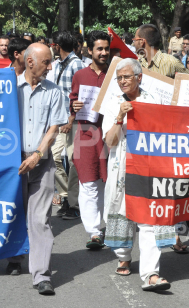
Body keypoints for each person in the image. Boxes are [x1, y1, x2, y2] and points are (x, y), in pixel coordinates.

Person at [101, 58, 170, 291]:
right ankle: (124, 254)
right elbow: (109, 142)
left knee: (148, 218)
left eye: (126, 77)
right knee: (121, 210)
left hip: (149, 166)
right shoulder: (112, 102)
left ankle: (151, 274)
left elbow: (166, 132)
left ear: (139, 78)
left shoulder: (154, 100)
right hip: (120, 166)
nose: (122, 82)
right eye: (119, 78)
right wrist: (119, 117)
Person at [6, 43, 67, 296]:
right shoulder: (7, 88)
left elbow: (53, 130)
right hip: (11, 164)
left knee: (40, 220)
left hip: (42, 164)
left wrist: (38, 155)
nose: (51, 66)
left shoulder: (54, 92)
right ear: (30, 62)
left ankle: (42, 274)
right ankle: (15, 257)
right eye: (46, 62)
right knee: (14, 213)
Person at [69, 31, 110, 249]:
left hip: (112, 135)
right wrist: (73, 107)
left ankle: (111, 226)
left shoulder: (115, 75)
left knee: (109, 182)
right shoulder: (80, 76)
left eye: (106, 48)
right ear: (90, 51)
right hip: (86, 136)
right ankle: (94, 232)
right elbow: (73, 102)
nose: (103, 53)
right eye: (99, 49)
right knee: (88, 183)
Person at [50, 31, 85, 219]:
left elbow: (79, 96)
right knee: (53, 158)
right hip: (59, 120)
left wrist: (71, 120)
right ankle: (65, 196)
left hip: (73, 121)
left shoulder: (76, 64)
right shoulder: (57, 65)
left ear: (57, 46)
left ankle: (74, 203)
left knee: (73, 161)